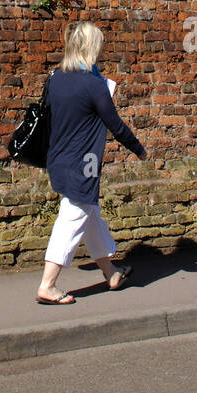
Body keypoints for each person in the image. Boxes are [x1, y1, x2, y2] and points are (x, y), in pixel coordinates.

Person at [36, 20, 147, 305]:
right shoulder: (95, 86)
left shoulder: (55, 77)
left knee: (90, 215)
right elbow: (116, 125)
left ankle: (111, 273)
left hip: (58, 158)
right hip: (83, 163)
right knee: (72, 218)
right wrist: (139, 149)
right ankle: (48, 285)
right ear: (90, 47)